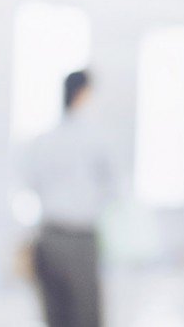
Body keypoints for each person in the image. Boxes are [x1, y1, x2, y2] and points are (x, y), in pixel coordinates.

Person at [20, 70, 117, 327]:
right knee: (85, 316)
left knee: (56, 317)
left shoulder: (44, 139)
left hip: (48, 238)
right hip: (78, 240)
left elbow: (30, 183)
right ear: (83, 94)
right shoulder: (96, 138)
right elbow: (114, 188)